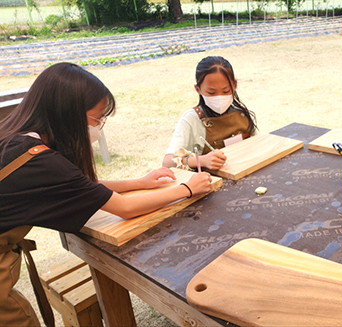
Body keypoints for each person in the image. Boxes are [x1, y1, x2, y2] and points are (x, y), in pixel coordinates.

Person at [0, 63, 213, 327]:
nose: (99, 126)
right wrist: (188, 189)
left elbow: (82, 187)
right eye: (97, 118)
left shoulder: (15, 139)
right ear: (69, 114)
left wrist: (140, 182)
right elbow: (124, 209)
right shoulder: (41, 162)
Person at [163, 56, 258, 171]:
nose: (219, 97)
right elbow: (167, 162)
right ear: (198, 89)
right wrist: (201, 160)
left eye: (226, 91)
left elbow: (258, 143)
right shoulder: (191, 120)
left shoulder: (242, 114)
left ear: (235, 86)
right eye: (211, 92)